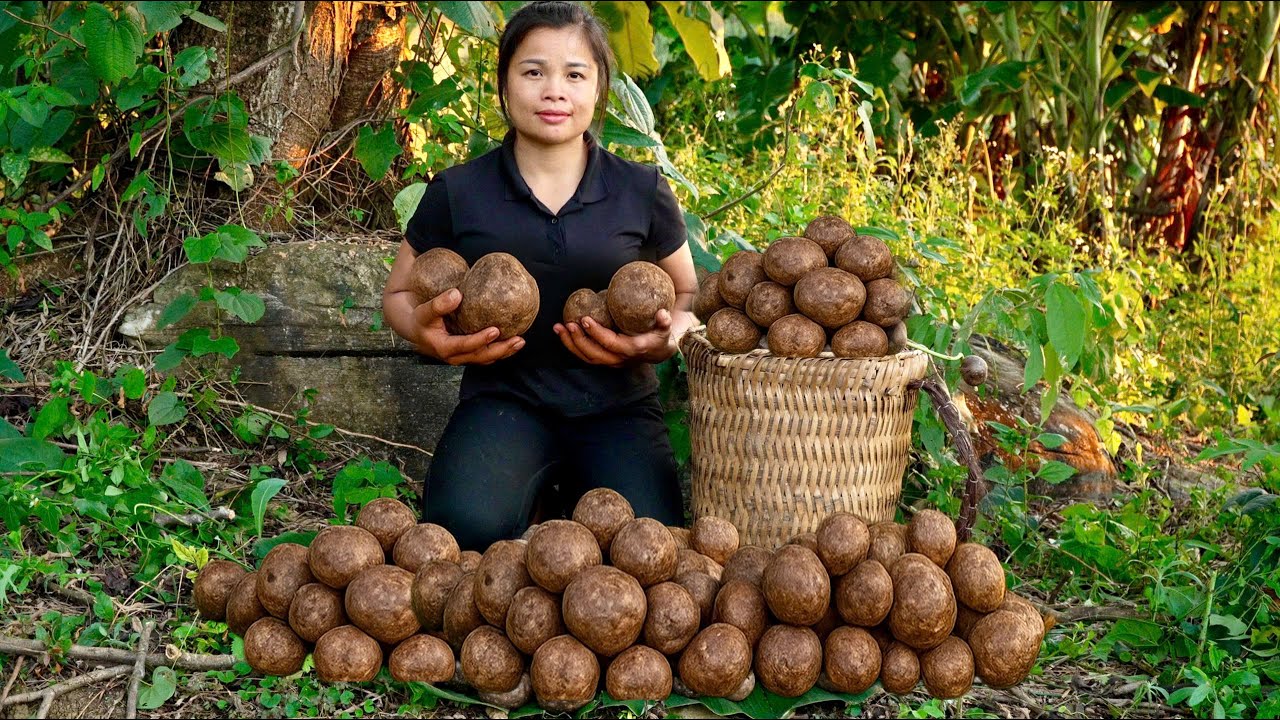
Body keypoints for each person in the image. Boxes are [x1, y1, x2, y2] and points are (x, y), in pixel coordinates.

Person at [381, 1, 698, 552]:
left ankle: (563, 499)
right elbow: (399, 295)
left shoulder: (641, 190)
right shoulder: (459, 191)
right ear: (504, 84)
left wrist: (663, 338)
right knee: (460, 533)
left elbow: (690, 294)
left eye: (575, 75)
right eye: (534, 72)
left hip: (617, 405)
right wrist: (424, 332)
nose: (555, 91)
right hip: (505, 400)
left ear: (598, 89)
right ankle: (539, 499)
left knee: (651, 547)